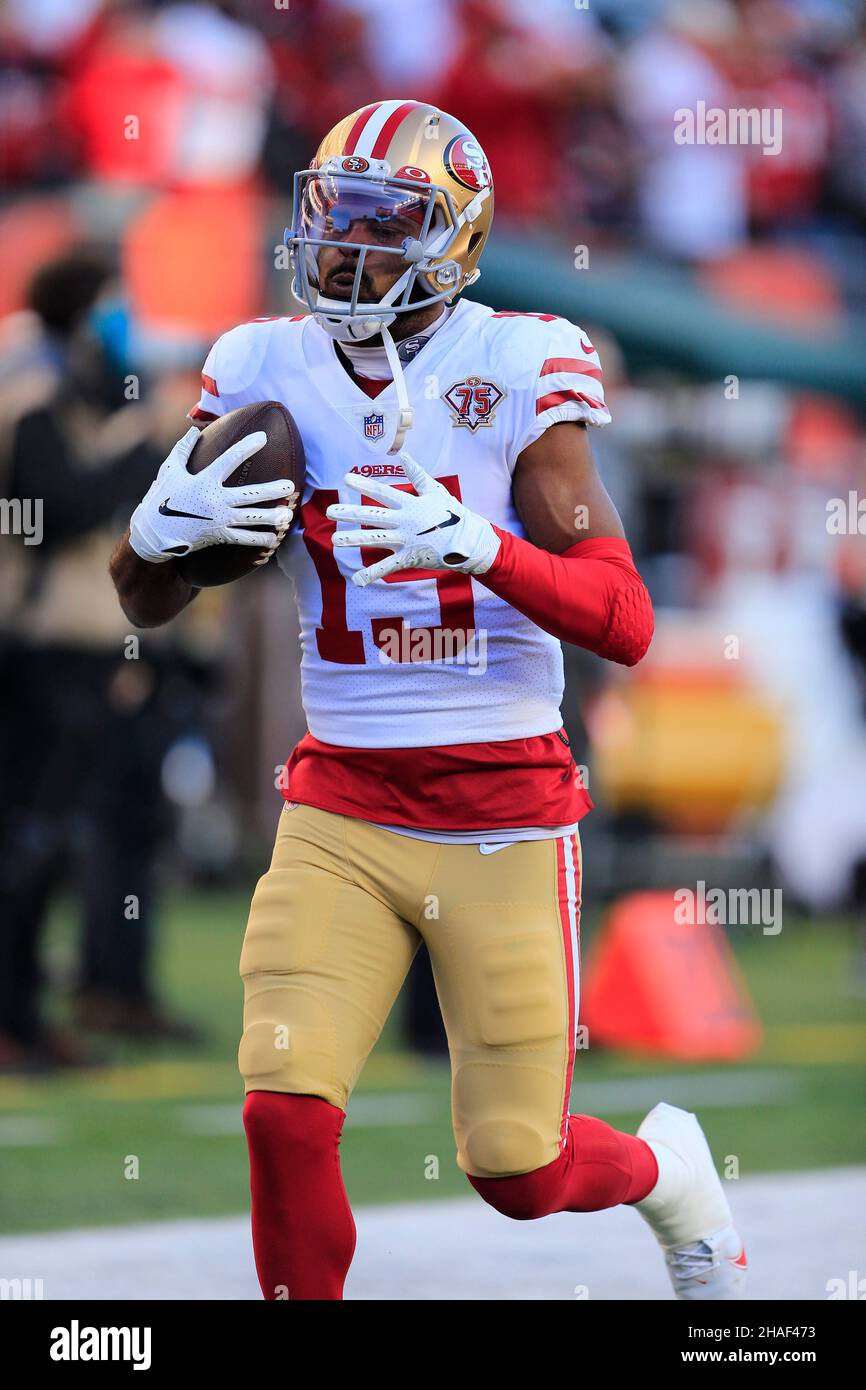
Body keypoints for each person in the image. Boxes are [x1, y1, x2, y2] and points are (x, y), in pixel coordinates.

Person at [110, 99, 746, 1300]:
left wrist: (483, 548)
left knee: (517, 1167)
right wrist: (150, 534)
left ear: (451, 239)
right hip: (341, 801)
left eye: (378, 227)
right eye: (328, 222)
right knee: (281, 1113)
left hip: (503, 810)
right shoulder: (259, 365)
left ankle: (668, 1170)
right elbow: (147, 601)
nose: (343, 255)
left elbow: (624, 619)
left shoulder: (512, 363)